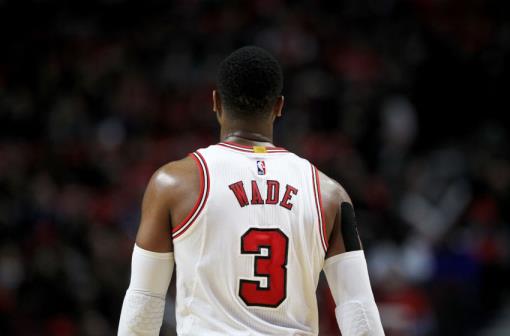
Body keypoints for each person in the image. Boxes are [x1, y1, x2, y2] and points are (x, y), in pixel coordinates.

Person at [118, 46, 384, 336]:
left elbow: (144, 305)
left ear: (216, 102)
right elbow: (360, 315)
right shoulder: (329, 194)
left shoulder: (174, 183)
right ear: (280, 106)